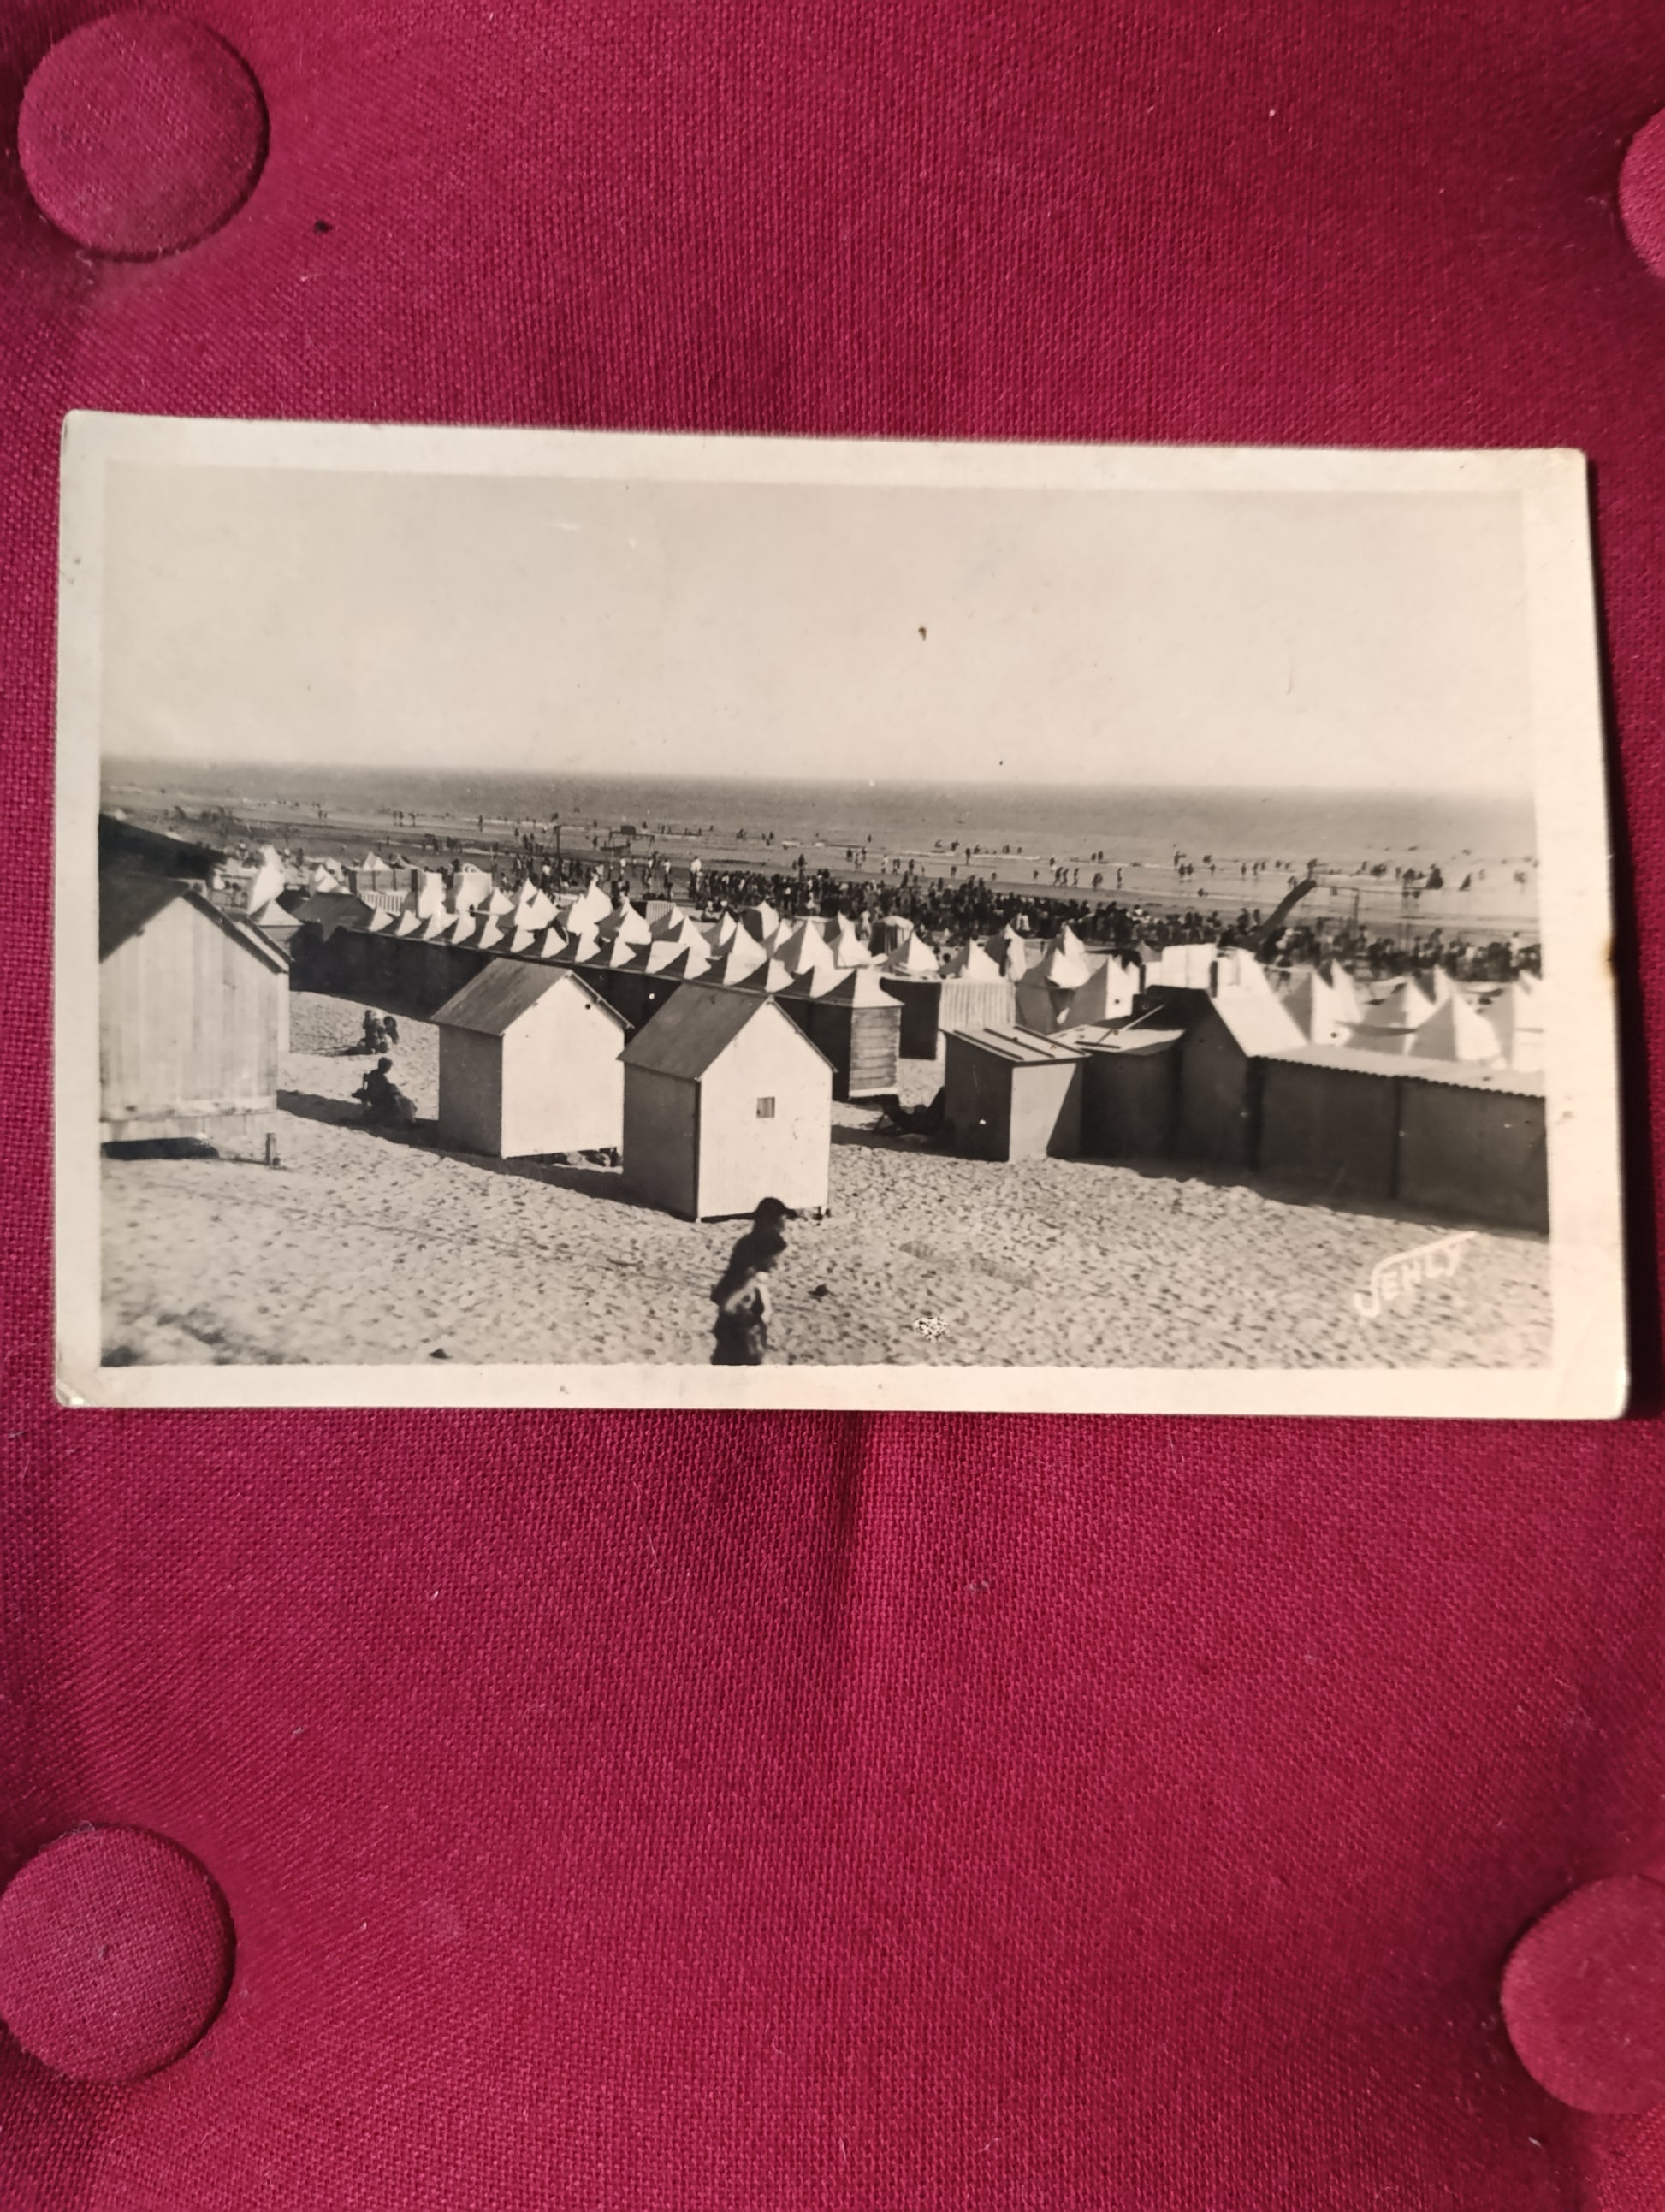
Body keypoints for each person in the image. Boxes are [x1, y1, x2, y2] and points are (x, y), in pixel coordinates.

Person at [709, 1228, 785, 1366]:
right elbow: (727, 1307)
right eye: (773, 1258)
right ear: (762, 1257)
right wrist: (748, 1287)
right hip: (739, 1354)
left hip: (749, 1351)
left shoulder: (754, 1280)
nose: (776, 1264)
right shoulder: (746, 1281)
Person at [354, 1057, 415, 1128]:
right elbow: (379, 1090)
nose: (388, 1069)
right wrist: (391, 1088)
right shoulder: (378, 1077)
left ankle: (407, 1119)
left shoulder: (376, 1075)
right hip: (381, 1101)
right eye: (388, 1067)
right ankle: (404, 1120)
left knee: (404, 1101)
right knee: (402, 1101)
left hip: (382, 1098)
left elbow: (384, 1088)